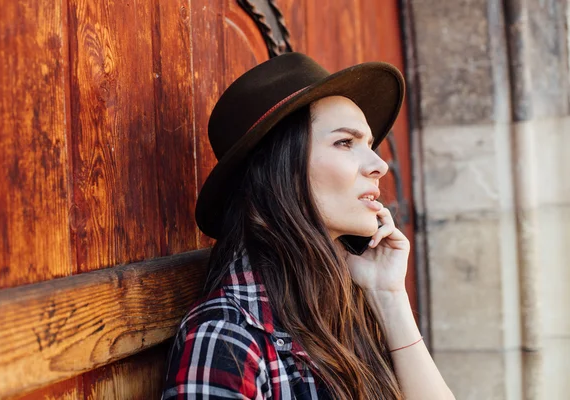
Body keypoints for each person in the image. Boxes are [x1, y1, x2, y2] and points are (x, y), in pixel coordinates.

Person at [161, 53, 454, 399]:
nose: (379, 165)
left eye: (371, 145)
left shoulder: (347, 308)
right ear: (278, 171)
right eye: (346, 142)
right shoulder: (227, 338)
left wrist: (388, 295)